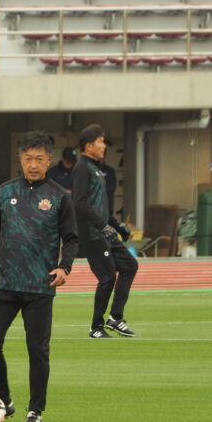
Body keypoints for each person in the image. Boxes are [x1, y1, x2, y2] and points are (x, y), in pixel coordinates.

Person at [0, 131, 78, 422]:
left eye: (39, 159)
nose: (33, 164)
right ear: (20, 159)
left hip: (39, 287)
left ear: (49, 160)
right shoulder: (4, 193)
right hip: (4, 282)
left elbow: (71, 239)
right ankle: (3, 399)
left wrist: (64, 267)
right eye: (28, 158)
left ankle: (36, 410)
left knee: (38, 350)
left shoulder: (58, 197)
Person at [73, 124, 139, 339]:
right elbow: (80, 203)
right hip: (92, 234)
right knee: (107, 276)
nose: (104, 146)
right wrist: (104, 227)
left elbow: (102, 207)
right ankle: (95, 327)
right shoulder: (82, 168)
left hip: (104, 232)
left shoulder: (98, 169)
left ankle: (115, 318)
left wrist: (117, 225)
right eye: (100, 142)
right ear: (89, 145)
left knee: (130, 265)